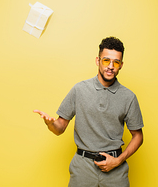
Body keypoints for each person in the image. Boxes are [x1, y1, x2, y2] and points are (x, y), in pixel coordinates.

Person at [33, 36, 144, 187]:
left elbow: (138, 136)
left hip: (115, 168)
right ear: (98, 61)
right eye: (106, 60)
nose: (110, 66)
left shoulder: (129, 97)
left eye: (116, 62)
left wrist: (118, 161)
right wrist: (50, 124)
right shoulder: (79, 90)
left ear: (121, 65)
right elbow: (60, 128)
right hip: (82, 168)